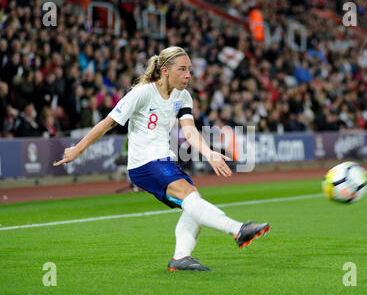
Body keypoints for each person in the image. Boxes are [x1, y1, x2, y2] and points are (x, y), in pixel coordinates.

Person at [54, 46, 270, 271]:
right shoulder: (142, 93)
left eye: (190, 70)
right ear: (165, 71)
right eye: (182, 69)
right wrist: (78, 149)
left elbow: (190, 131)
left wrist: (209, 153)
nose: (188, 75)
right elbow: (107, 123)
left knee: (193, 203)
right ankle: (237, 229)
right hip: (144, 164)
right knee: (190, 197)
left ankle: (180, 258)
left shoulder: (183, 95)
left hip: (164, 161)